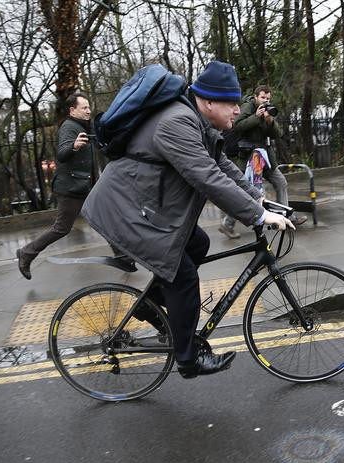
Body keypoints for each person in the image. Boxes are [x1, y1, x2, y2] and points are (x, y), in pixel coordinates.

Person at [81, 61, 294, 378]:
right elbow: (206, 177)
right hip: (127, 212)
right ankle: (188, 358)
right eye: (232, 104)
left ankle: (146, 305)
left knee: (199, 243)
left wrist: (257, 197)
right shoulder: (177, 122)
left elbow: (221, 164)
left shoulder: (197, 122)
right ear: (209, 102)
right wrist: (258, 215)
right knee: (183, 281)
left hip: (147, 209)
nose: (238, 110)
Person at [16, 93, 119, 279]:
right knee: (62, 228)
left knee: (104, 217)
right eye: (84, 108)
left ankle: (122, 255)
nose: (88, 110)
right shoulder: (69, 127)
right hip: (71, 189)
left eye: (89, 107)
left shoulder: (85, 126)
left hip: (84, 186)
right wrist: (74, 146)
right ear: (73, 110)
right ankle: (26, 252)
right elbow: (62, 153)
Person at [219, 85, 307, 239]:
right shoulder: (247, 106)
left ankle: (287, 217)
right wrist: (256, 117)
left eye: (268, 98)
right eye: (263, 98)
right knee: (242, 191)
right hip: (248, 158)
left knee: (281, 182)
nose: (266, 101)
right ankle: (227, 224)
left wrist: (269, 120)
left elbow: (277, 134)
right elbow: (236, 126)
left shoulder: (268, 110)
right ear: (255, 96)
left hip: (264, 156)